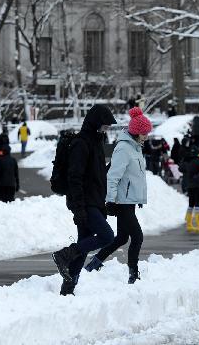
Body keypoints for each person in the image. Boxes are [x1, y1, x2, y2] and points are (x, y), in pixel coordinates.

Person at [51, 104, 117, 296]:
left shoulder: (96, 142)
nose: (106, 130)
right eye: (104, 125)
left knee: (85, 244)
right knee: (107, 236)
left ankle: (67, 290)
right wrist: (79, 208)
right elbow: (75, 178)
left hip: (94, 201)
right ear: (95, 123)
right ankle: (64, 254)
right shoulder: (81, 143)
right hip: (84, 203)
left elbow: (94, 176)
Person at [83, 106, 151, 284]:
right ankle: (133, 274)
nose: (147, 136)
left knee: (122, 238)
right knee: (137, 237)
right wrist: (110, 201)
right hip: (121, 201)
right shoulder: (124, 149)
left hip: (129, 200)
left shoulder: (136, 148)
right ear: (136, 132)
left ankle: (94, 264)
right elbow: (112, 177)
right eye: (144, 133)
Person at [184, 148, 199, 233]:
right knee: (198, 205)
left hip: (190, 185)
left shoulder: (188, 161)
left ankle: (189, 224)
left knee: (191, 204)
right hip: (198, 185)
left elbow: (181, 168)